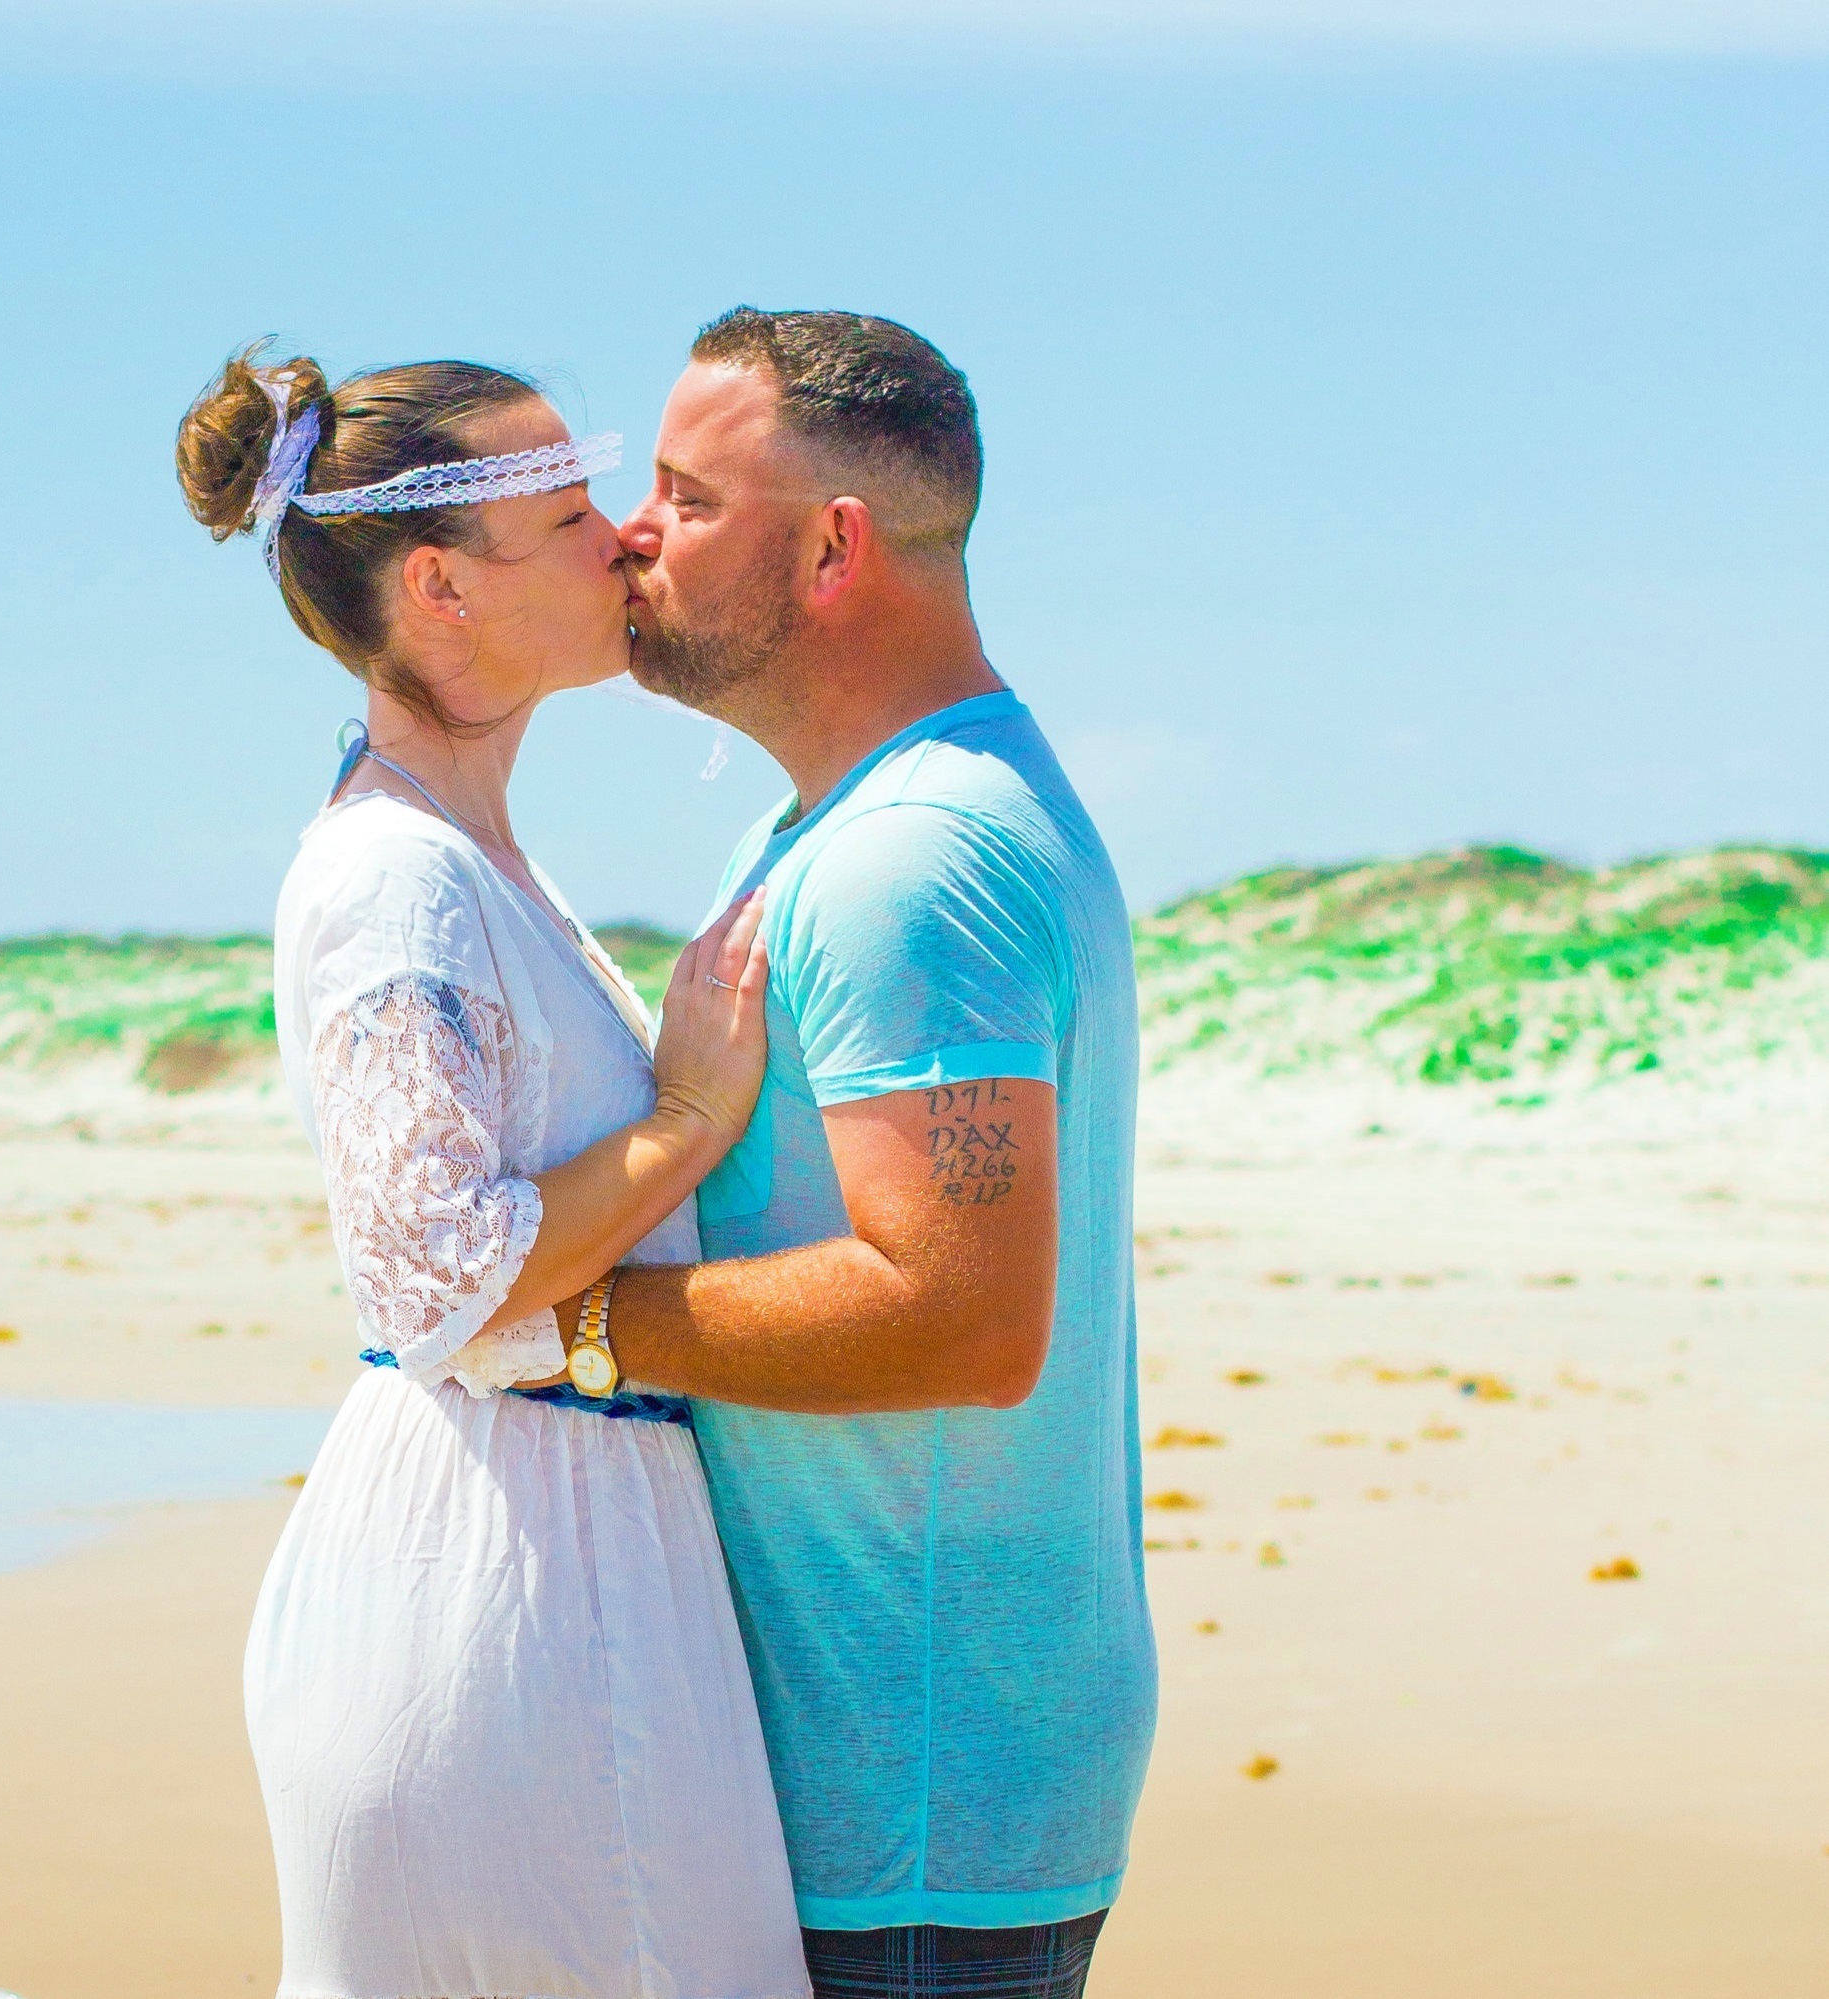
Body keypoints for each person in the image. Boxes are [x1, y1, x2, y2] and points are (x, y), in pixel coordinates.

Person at [175, 345, 811, 1999]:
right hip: (510, 1594)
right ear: (442, 584)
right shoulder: (399, 878)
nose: (624, 537)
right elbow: (439, 1271)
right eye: (568, 511)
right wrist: (681, 1118)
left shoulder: (458, 856)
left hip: (545, 1544)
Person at [560, 309, 1158, 1999]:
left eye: (684, 497)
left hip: (910, 1799)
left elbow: (961, 1317)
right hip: (889, 1776)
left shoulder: (915, 856)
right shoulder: (835, 820)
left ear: (832, 546)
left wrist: (574, 1332)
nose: (628, 537)